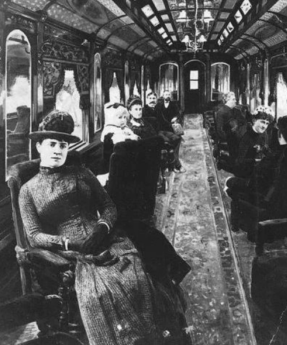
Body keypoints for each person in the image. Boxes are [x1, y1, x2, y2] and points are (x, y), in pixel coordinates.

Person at [18, 112, 189, 344]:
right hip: (72, 252)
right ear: (39, 146)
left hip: (107, 239)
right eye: (52, 144)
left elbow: (108, 206)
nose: (58, 150)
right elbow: (34, 235)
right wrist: (67, 243)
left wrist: (102, 228)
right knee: (96, 294)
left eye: (63, 145)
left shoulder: (82, 173)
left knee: (137, 278)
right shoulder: (28, 190)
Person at [225, 115, 287, 204]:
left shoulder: (272, 159)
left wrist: (230, 181)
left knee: (229, 186)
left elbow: (253, 185)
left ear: (279, 134)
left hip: (266, 203)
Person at [229, 107, 274, 179]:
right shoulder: (245, 136)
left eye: (267, 123)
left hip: (258, 169)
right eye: (262, 122)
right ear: (254, 120)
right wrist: (255, 160)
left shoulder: (264, 134)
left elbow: (264, 148)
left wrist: (262, 150)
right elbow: (239, 161)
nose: (264, 126)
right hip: (245, 172)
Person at [100, 103, 138, 176]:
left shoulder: (124, 128)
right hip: (112, 164)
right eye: (120, 117)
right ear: (111, 118)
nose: (123, 120)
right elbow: (119, 140)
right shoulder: (109, 130)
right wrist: (130, 137)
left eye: (124, 117)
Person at [155, 91, 185, 173]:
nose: (167, 96)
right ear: (163, 96)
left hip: (171, 128)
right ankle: (175, 165)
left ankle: (172, 165)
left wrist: (175, 118)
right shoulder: (159, 106)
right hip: (162, 129)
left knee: (176, 141)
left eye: (168, 94)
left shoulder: (174, 105)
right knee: (170, 144)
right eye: (165, 94)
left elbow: (178, 114)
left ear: (170, 96)